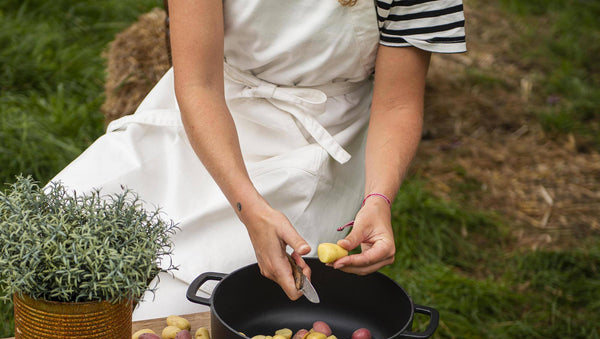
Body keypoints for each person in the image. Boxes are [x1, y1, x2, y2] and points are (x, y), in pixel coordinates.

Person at [50, 0, 466, 320]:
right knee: (54, 227)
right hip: (212, 106)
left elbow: (397, 104)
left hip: (319, 133)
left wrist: (378, 199)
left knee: (174, 314)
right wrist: (248, 205)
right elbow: (198, 83)